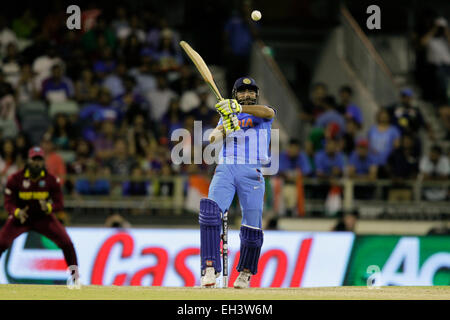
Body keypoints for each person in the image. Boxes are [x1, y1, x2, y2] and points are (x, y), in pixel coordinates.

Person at [200, 77, 275, 289]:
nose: (247, 94)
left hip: (252, 170)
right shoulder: (228, 116)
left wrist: (238, 108)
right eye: (242, 92)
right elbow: (213, 138)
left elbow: (268, 113)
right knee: (210, 213)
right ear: (235, 94)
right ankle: (209, 268)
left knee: (252, 224)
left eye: (251, 91)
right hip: (226, 167)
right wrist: (226, 126)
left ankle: (246, 272)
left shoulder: (263, 112)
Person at [0, 147, 79, 282]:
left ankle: (75, 277)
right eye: (34, 159)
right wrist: (17, 212)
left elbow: (59, 203)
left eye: (39, 160)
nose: (37, 163)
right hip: (21, 219)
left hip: (43, 218)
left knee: (67, 243)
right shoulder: (15, 179)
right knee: (1, 243)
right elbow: (8, 202)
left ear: (43, 162)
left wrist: (48, 208)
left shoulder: (51, 180)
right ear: (28, 160)